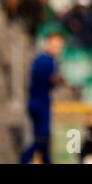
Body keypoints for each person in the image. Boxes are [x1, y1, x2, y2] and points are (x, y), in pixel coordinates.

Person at [20, 32, 65, 164]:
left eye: (59, 47)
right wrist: (61, 80)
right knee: (42, 138)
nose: (58, 49)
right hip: (40, 103)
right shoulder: (47, 60)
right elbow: (52, 79)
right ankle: (23, 159)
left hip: (37, 102)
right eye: (55, 46)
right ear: (47, 44)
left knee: (43, 139)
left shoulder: (40, 59)